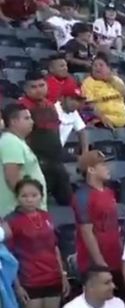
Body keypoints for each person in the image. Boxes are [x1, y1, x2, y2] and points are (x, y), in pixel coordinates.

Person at [6, 179, 68, 308]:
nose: (29, 200)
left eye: (34, 195)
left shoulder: (46, 216)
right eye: (24, 196)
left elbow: (54, 247)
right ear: (17, 198)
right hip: (28, 281)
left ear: (41, 196)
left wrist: (63, 275)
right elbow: (8, 256)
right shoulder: (10, 221)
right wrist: (17, 286)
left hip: (53, 279)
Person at [20, 70, 72, 206]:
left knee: (66, 198)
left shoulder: (50, 105)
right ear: (25, 88)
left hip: (55, 158)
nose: (38, 90)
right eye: (33, 87)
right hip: (35, 160)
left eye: (41, 85)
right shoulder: (21, 108)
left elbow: (55, 128)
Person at [73, 150, 123, 287]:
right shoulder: (82, 196)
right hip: (93, 263)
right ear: (91, 170)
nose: (108, 168)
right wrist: (100, 263)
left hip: (114, 256)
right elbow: (87, 232)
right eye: (103, 165)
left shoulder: (109, 192)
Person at [0, 104, 45, 216]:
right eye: (26, 118)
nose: (32, 122)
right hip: (20, 212)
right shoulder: (10, 142)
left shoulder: (17, 141)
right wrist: (28, 206)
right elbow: (12, 178)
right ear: (13, 121)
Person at [81, 54, 125, 128]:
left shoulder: (116, 80)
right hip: (103, 120)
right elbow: (90, 105)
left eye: (101, 65)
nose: (98, 68)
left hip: (123, 119)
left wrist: (111, 80)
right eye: (95, 66)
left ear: (108, 68)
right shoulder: (88, 82)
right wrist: (102, 117)